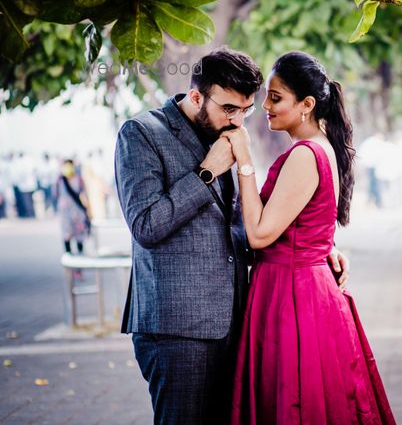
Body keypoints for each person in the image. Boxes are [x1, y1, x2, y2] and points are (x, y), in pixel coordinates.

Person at [114, 48, 352, 424]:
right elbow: (145, 225)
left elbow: (247, 217)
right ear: (196, 97)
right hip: (178, 328)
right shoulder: (143, 134)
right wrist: (206, 172)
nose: (238, 119)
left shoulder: (227, 132)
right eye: (229, 109)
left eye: (246, 109)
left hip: (237, 319)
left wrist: (319, 246)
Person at [226, 51, 394, 424]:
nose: (264, 106)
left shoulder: (305, 154)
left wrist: (244, 161)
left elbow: (258, 234)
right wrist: (327, 248)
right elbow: (308, 222)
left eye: (275, 97)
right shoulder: (319, 148)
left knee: (295, 400)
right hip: (299, 288)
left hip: (292, 296)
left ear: (306, 105)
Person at [56, 159, 90, 254]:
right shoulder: (60, 180)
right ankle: (68, 254)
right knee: (66, 232)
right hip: (65, 211)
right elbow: (55, 193)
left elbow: (85, 193)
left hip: (77, 210)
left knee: (79, 232)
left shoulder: (79, 179)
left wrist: (86, 208)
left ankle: (80, 253)